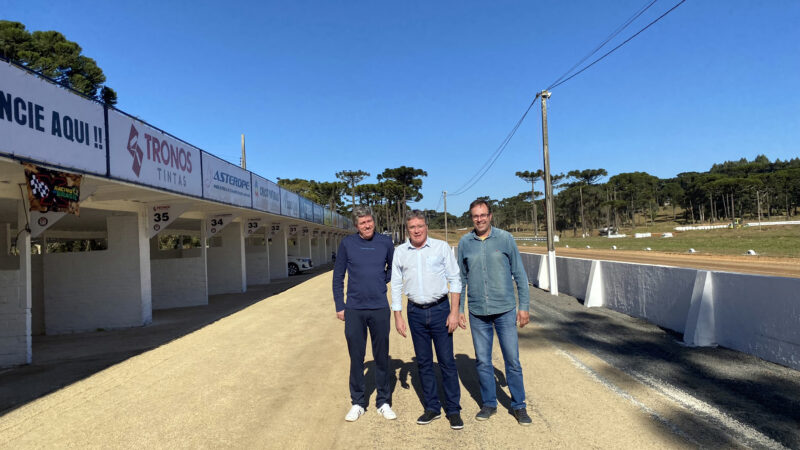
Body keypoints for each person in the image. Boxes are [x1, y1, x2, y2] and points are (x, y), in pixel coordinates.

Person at [457, 198, 533, 426]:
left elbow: (520, 274)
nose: (479, 219)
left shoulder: (505, 239)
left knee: (512, 360)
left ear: (490, 216)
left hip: (505, 310)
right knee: (482, 361)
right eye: (475, 216)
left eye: (483, 215)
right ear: (471, 218)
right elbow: (460, 278)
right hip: (478, 311)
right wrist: (459, 308)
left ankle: (519, 405)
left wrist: (524, 307)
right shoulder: (465, 243)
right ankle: (489, 403)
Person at [391, 210, 464, 430]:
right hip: (415, 313)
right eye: (412, 227)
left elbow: (455, 279)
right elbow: (395, 285)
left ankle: (453, 410)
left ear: (426, 226)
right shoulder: (400, 252)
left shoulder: (441, 248)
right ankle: (432, 407)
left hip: (441, 310)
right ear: (407, 230)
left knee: (446, 362)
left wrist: (454, 312)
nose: (416, 230)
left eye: (420, 226)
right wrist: (398, 315)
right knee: (423, 363)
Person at [333, 206, 396, 422]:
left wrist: (381, 281)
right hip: (354, 310)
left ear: (374, 222)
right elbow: (338, 276)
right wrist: (339, 305)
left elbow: (393, 268)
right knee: (356, 358)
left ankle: (383, 401)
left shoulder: (386, 242)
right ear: (356, 226)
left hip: (379, 307)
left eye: (369, 221)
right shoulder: (347, 244)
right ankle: (358, 402)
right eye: (362, 223)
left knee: (381, 356)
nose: (367, 225)